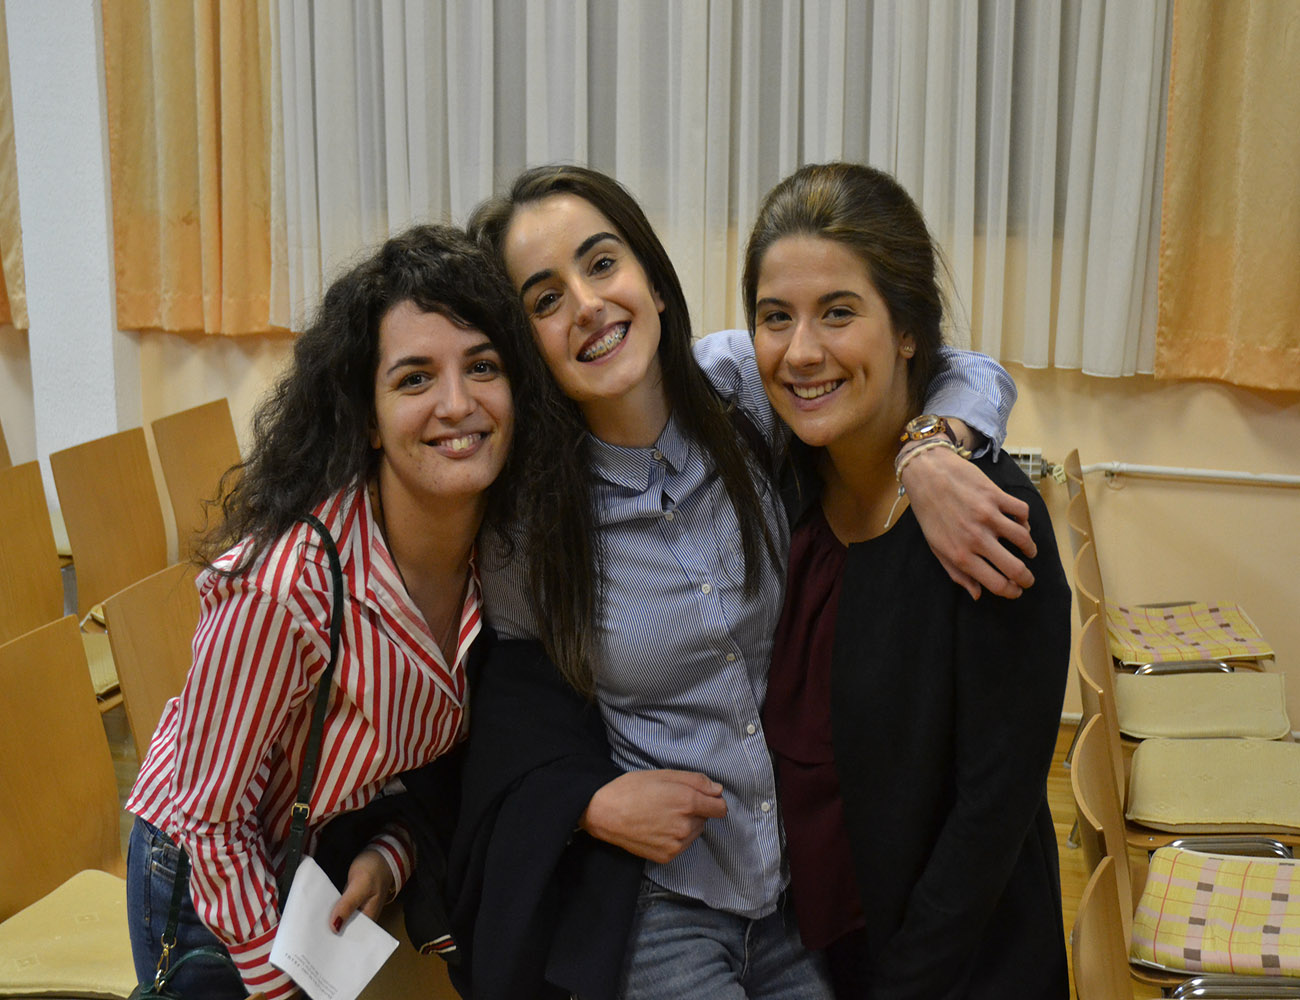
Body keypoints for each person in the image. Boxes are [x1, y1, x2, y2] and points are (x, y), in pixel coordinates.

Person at [451, 164, 1036, 1000]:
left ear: (654, 281)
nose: (586, 304)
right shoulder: (530, 520)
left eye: (602, 263)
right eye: (545, 300)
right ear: (526, 343)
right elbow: (515, 704)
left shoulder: (740, 389)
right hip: (668, 897)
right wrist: (588, 797)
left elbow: (959, 364)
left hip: (806, 887)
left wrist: (931, 447)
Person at [124, 224, 553, 999]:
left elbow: (412, 769)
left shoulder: (501, 566)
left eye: (483, 367)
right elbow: (210, 821)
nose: (458, 404)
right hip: (205, 872)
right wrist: (277, 988)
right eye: (415, 378)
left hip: (314, 852)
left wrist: (390, 855)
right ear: (368, 419)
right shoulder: (285, 589)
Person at [745, 162, 1071, 998]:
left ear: (907, 332)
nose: (801, 351)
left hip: (953, 970)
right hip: (801, 954)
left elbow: (989, 818)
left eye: (838, 312)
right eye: (775, 317)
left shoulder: (986, 522)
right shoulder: (777, 487)